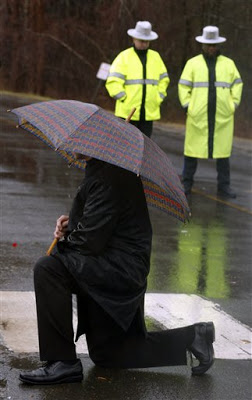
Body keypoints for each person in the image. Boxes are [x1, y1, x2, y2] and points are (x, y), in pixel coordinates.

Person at [19, 153, 215, 385]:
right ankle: (194, 337)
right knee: (108, 354)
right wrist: (72, 224)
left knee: (48, 268)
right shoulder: (105, 169)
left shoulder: (108, 176)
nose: (72, 148)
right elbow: (104, 222)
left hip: (119, 270)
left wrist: (69, 235)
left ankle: (62, 362)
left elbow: (89, 242)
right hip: (117, 265)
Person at [178, 26, 243, 198]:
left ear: (218, 45)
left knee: (223, 154)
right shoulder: (193, 63)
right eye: (208, 45)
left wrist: (233, 104)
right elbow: (183, 85)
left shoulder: (228, 64)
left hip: (222, 117)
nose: (211, 48)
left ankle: (224, 187)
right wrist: (187, 106)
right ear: (202, 45)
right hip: (198, 116)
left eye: (214, 45)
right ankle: (186, 184)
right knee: (191, 152)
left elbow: (237, 84)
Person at [105, 21, 169, 138]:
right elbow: (113, 81)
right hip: (127, 112)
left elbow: (164, 79)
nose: (144, 44)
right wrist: (123, 98)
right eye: (141, 40)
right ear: (134, 39)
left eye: (146, 41)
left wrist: (158, 97)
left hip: (148, 113)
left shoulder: (156, 57)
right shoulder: (124, 57)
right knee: (124, 145)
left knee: (144, 147)